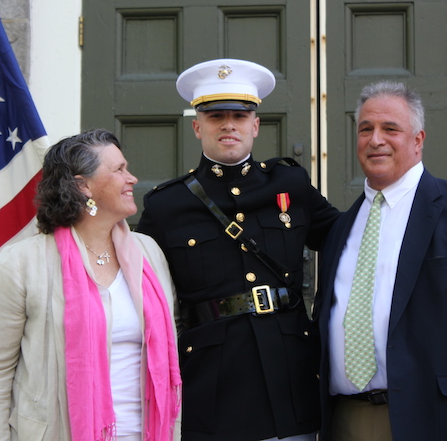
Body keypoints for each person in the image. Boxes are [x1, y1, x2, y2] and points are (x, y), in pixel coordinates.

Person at [314, 82, 447, 441]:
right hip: (344, 421)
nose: (375, 139)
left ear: (418, 140)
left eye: (390, 129)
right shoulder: (341, 228)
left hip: (438, 423)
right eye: (365, 128)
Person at [137, 59, 340, 441]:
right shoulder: (167, 205)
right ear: (197, 127)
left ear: (255, 125)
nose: (228, 124)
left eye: (239, 115)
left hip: (290, 372)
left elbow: (346, 240)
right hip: (213, 382)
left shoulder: (289, 184)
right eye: (216, 116)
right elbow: (137, 283)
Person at [0, 129, 181, 441]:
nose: (132, 178)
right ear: (83, 185)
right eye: (119, 170)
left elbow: (171, 344)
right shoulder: (20, 262)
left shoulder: (148, 252)